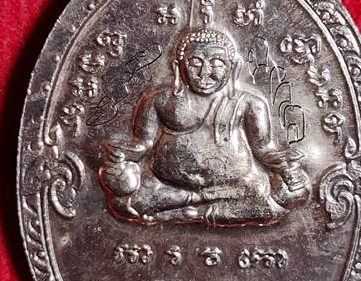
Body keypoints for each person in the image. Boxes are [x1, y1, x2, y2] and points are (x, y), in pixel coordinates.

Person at [99, 25, 310, 226]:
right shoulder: (159, 100)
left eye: (217, 62)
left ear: (233, 67)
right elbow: (143, 144)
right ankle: (201, 208)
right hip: (167, 187)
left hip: (235, 187)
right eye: (195, 62)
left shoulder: (249, 104)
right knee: (122, 201)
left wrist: (286, 168)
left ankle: (185, 213)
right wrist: (119, 159)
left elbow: (263, 149)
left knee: (291, 194)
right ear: (178, 66)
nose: (205, 72)